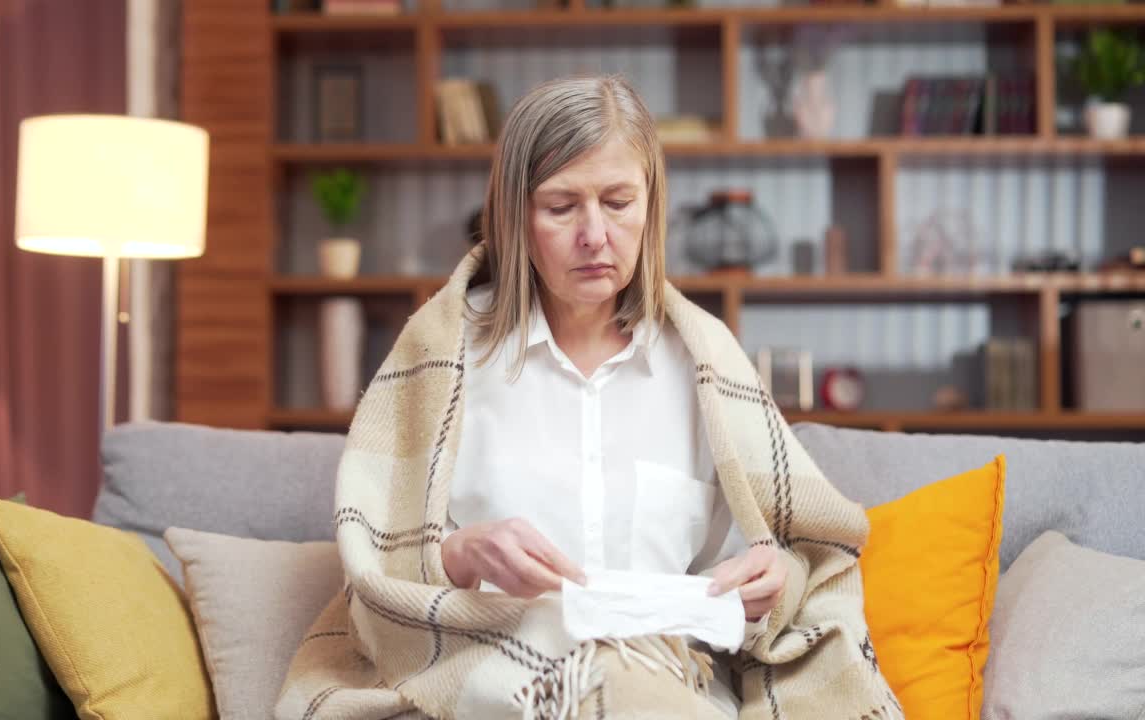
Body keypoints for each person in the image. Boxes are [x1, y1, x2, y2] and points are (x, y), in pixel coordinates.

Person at [279, 75, 902, 720]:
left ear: (650, 206)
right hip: (485, 687)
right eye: (560, 206)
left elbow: (800, 559)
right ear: (515, 217)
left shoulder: (705, 362)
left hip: (667, 689)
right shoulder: (444, 359)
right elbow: (374, 577)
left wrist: (773, 577)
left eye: (618, 201)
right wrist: (458, 557)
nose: (594, 235)